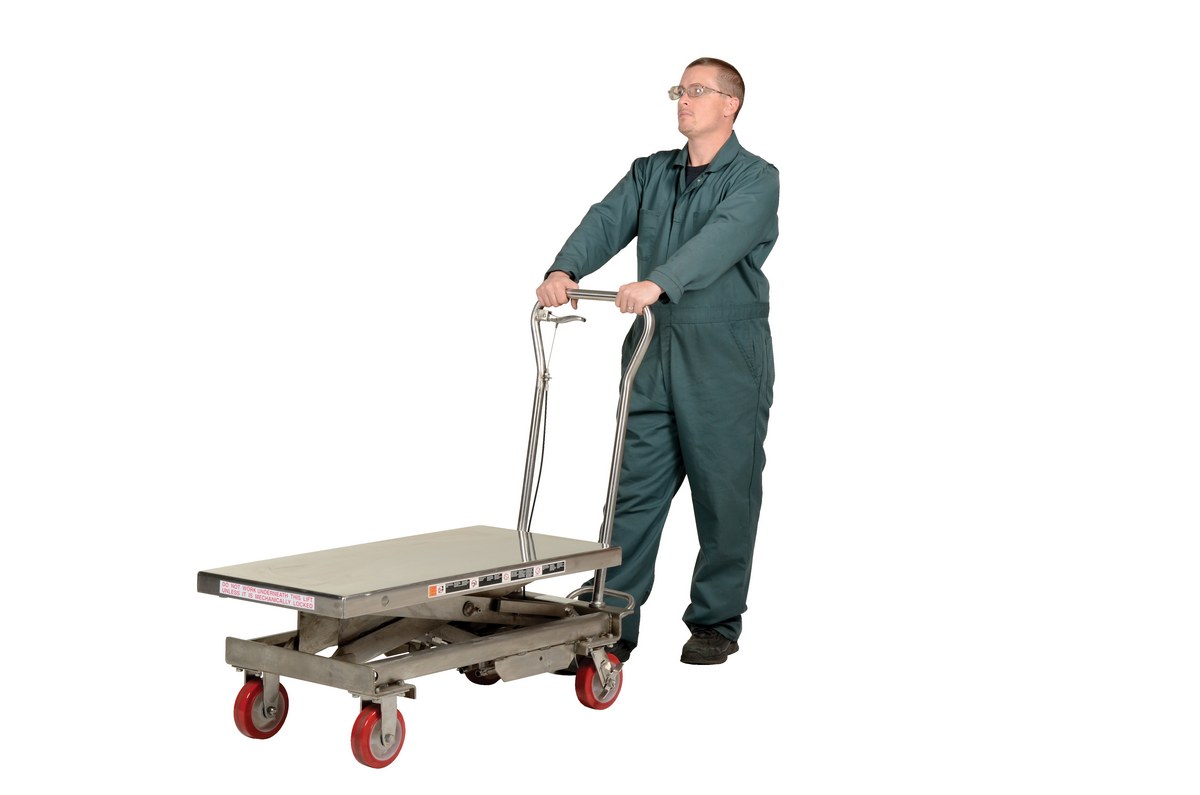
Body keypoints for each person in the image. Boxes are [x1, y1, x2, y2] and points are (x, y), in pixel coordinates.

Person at [536, 57, 778, 666]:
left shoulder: (756, 178)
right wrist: (565, 268)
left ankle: (716, 621)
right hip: (652, 347)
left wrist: (659, 282)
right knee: (631, 492)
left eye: (698, 90)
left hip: (724, 354)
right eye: (679, 90)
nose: (683, 100)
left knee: (724, 494)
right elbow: (606, 220)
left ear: (731, 104)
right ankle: (610, 618)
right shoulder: (651, 172)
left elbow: (721, 239)